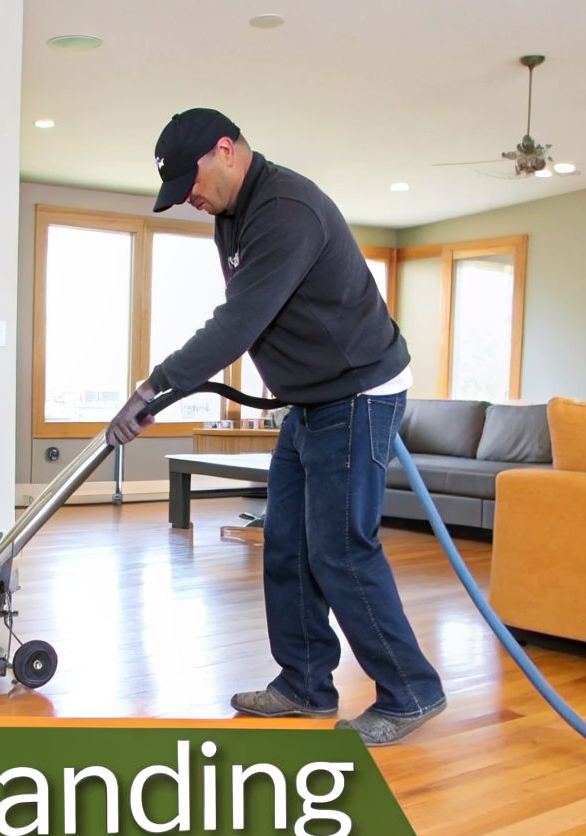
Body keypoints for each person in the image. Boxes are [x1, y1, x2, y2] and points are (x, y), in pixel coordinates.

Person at [106, 108, 445, 746]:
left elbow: (238, 322)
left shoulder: (288, 209)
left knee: (341, 547)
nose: (192, 200)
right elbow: (259, 315)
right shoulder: (233, 215)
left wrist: (153, 388)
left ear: (225, 150)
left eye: (192, 184)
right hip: (312, 397)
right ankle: (305, 684)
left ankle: (411, 691)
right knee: (286, 540)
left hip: (358, 392)